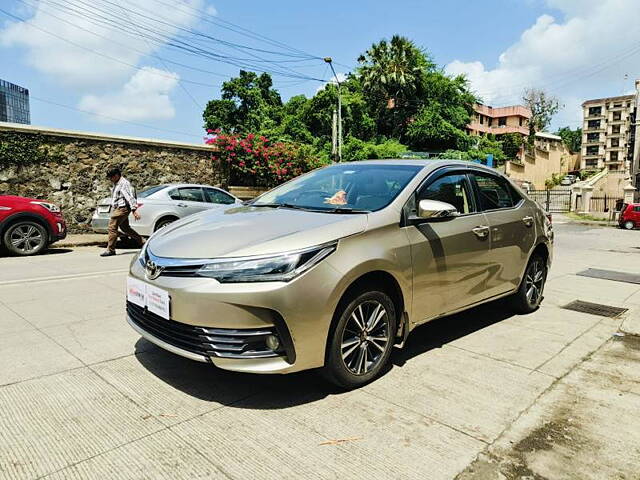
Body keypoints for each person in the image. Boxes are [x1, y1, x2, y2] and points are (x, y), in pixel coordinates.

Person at [100, 167, 144, 257]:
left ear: (116, 175)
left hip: (122, 208)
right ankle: (143, 241)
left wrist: (134, 210)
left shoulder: (124, 183)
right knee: (125, 228)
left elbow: (129, 197)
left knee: (112, 227)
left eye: (111, 177)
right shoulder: (117, 183)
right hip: (119, 208)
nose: (110, 179)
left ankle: (110, 249)